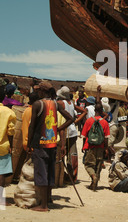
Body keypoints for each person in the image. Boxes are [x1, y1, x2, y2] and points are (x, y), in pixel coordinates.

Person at [27, 81, 74, 212]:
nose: (37, 92)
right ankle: (48, 199)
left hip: (40, 144)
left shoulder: (38, 104)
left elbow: (32, 126)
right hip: (52, 143)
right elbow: (71, 119)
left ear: (42, 91)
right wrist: (59, 129)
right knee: (49, 172)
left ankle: (43, 205)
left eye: (38, 90)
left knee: (41, 172)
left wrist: (29, 143)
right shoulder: (55, 104)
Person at [81, 102, 110, 191]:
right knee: (98, 166)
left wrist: (83, 146)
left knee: (88, 165)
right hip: (100, 147)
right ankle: (94, 184)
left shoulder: (89, 121)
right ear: (102, 111)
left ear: (94, 110)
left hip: (90, 146)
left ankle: (93, 177)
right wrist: (106, 148)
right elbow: (106, 138)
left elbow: (84, 136)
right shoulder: (105, 122)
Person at [0, 86, 17, 207]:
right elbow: (11, 132)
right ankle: (0, 199)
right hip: (2, 146)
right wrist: (11, 145)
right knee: (1, 173)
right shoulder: (8, 112)